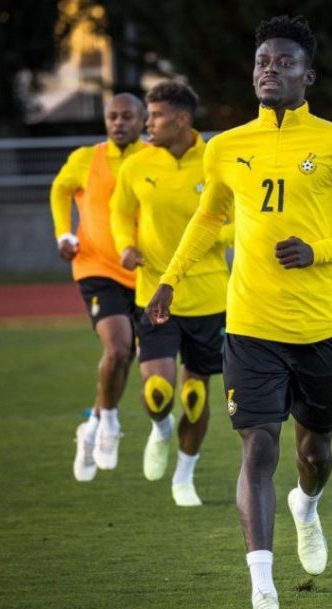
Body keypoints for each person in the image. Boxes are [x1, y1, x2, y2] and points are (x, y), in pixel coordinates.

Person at [146, 16, 332, 609]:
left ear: (309, 74)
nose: (269, 70)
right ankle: (263, 592)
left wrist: (319, 250)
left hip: (318, 327)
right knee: (259, 446)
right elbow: (206, 222)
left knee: (314, 452)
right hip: (249, 325)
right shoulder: (227, 147)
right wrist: (170, 278)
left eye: (283, 62)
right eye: (261, 61)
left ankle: (306, 505)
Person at [110, 81, 232, 507]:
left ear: (182, 119)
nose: (148, 123)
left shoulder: (217, 160)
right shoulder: (137, 165)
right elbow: (120, 212)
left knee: (195, 399)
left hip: (210, 297)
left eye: (156, 115)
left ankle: (184, 476)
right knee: (157, 390)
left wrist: (213, 238)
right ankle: (160, 431)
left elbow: (242, 220)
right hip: (154, 294)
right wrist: (125, 244)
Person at [50, 93, 147, 482]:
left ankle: (89, 428)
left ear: (143, 121)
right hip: (94, 267)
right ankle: (108, 422)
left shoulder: (153, 159)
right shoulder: (85, 158)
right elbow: (59, 189)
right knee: (118, 346)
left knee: (127, 357)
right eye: (112, 117)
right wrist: (62, 234)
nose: (118, 123)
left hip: (143, 272)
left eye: (127, 116)